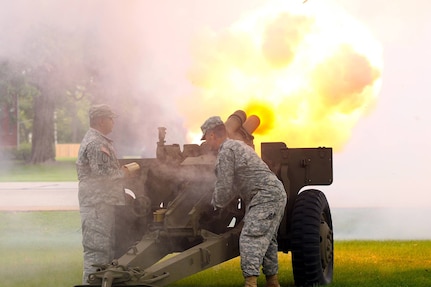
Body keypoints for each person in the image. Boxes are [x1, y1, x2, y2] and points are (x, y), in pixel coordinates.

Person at [201, 116, 287, 287]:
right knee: (268, 240)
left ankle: (250, 283)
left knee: (250, 237)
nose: (206, 143)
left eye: (206, 138)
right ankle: (273, 282)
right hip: (273, 194)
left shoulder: (227, 150)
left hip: (265, 196)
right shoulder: (237, 146)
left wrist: (214, 205)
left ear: (212, 135)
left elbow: (225, 186)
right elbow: (234, 184)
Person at [76, 104, 130, 284]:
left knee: (105, 253)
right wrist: (125, 173)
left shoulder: (99, 141)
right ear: (101, 121)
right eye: (110, 118)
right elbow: (102, 175)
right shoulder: (96, 143)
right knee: (97, 255)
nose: (113, 122)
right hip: (97, 205)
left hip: (101, 204)